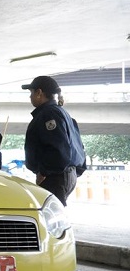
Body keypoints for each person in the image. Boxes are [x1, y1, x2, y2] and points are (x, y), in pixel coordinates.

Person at [22, 76, 87, 206]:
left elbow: (58, 148)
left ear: (39, 92)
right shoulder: (61, 112)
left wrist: (44, 172)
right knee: (53, 212)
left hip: (55, 176)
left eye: (31, 92)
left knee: (50, 214)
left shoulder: (48, 114)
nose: (30, 97)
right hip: (64, 174)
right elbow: (78, 147)